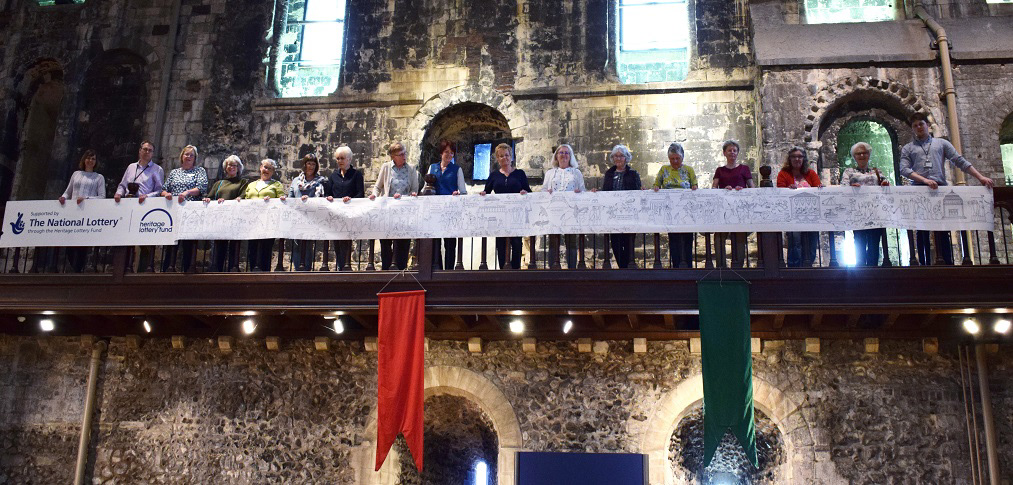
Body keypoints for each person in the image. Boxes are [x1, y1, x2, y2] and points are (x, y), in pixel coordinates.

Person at [900, 112, 995, 265]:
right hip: (919, 191)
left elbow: (959, 161)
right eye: (915, 125)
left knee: (942, 228)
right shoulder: (908, 148)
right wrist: (924, 180)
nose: (918, 127)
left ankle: (947, 263)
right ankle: (924, 264)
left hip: (939, 190)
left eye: (921, 124)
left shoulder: (941, 144)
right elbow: (904, 169)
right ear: (912, 129)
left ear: (927, 126)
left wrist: (981, 177)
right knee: (922, 230)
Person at [113, 141, 164, 272]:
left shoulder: (157, 169)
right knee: (125, 238)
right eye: (145, 149)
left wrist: (147, 196)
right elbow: (123, 184)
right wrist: (119, 194)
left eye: (150, 150)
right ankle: (123, 268)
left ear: (153, 153)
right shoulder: (131, 167)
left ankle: (143, 269)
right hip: (128, 205)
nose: (147, 152)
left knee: (144, 240)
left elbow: (159, 190)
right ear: (140, 150)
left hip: (145, 207)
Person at [480, 143, 531, 269]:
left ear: (511, 157)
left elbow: (529, 191)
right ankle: (503, 269)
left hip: (516, 215)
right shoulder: (494, 175)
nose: (505, 158)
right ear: (497, 159)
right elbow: (486, 191)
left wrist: (525, 193)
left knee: (516, 243)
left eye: (507, 155)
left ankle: (515, 269)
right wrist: (483, 194)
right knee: (501, 243)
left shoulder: (519, 174)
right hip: (499, 216)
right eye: (501, 156)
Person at [369, 142, 418, 270]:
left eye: (404, 153)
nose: (404, 156)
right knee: (386, 241)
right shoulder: (386, 168)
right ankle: (386, 269)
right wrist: (374, 194)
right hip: (388, 210)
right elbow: (378, 186)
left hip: (404, 212)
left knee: (402, 242)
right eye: (401, 154)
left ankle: (401, 270)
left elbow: (414, 189)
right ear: (393, 156)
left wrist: (412, 195)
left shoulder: (411, 169)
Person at [840, 142, 890, 267]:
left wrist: (885, 184)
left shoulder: (877, 171)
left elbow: (885, 182)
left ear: (869, 155)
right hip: (858, 213)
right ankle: (861, 270)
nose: (862, 155)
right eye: (858, 153)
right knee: (859, 241)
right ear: (854, 156)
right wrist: (851, 187)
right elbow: (843, 187)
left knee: (874, 242)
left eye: (865, 153)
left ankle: (873, 270)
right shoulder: (849, 171)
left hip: (875, 212)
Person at [160, 145, 208, 272]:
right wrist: (167, 195)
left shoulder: (199, 171)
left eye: (191, 155)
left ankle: (188, 270)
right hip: (174, 211)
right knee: (171, 243)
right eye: (186, 154)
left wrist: (187, 193)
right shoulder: (174, 172)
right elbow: (164, 189)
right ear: (182, 156)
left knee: (188, 243)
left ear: (195, 158)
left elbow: (201, 188)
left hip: (190, 212)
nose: (189, 157)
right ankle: (167, 269)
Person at [58, 150, 106, 272]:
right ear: (84, 160)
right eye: (89, 158)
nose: (90, 161)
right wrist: (63, 197)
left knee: (82, 242)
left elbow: (102, 196)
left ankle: (78, 268)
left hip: (87, 213)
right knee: (70, 241)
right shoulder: (76, 174)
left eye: (93, 159)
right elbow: (68, 191)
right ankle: (71, 266)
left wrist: (87, 198)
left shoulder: (99, 177)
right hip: (73, 212)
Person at [652, 142, 698, 268]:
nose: (675, 161)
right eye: (672, 159)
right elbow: (656, 184)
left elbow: (694, 185)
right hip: (670, 210)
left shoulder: (688, 170)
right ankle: (676, 265)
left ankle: (688, 265)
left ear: (682, 157)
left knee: (687, 238)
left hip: (686, 209)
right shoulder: (664, 170)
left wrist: (694, 187)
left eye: (678, 158)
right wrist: (656, 187)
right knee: (674, 238)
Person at [776, 147, 822, 267]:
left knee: (812, 243)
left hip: (811, 215)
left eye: (800, 156)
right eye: (794, 156)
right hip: (793, 216)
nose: (797, 159)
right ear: (789, 159)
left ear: (804, 159)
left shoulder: (810, 173)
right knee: (795, 243)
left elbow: (818, 187)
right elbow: (780, 191)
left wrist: (821, 188)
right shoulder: (783, 173)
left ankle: (808, 267)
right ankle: (794, 269)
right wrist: (788, 190)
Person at [203, 155, 249, 272]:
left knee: (234, 246)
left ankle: (233, 270)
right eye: (229, 165)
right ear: (225, 167)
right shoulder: (218, 183)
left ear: (238, 168)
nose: (231, 167)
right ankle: (216, 270)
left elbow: (243, 196)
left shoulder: (243, 182)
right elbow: (210, 197)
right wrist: (209, 200)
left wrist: (230, 203)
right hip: (219, 218)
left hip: (235, 218)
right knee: (219, 246)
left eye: (234, 165)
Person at [543, 144, 586, 269]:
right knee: (553, 240)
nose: (564, 155)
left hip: (571, 210)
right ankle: (553, 268)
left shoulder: (576, 173)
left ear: (570, 156)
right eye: (561, 153)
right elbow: (543, 190)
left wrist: (579, 193)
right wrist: (547, 193)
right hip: (554, 210)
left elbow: (583, 190)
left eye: (567, 153)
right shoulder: (550, 173)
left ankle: (572, 268)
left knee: (571, 240)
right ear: (556, 156)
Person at [712, 140, 753, 268]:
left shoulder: (744, 169)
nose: (732, 153)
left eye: (734, 150)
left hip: (740, 209)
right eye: (729, 150)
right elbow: (713, 189)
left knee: (740, 237)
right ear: (724, 153)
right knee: (719, 237)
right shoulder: (719, 170)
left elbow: (752, 188)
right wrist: (724, 190)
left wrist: (742, 190)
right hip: (723, 208)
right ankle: (721, 267)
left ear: (738, 153)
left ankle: (738, 267)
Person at [240, 158, 286, 271]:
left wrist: (272, 200)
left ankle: (265, 272)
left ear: (273, 171)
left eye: (269, 168)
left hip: (268, 221)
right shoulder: (251, 184)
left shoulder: (276, 184)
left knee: (265, 248)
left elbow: (282, 198)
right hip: (252, 220)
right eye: (265, 167)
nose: (266, 170)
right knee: (253, 247)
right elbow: (246, 198)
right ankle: (252, 271)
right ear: (260, 168)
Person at [600, 144, 641, 268]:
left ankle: (629, 268)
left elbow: (637, 190)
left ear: (626, 158)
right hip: (613, 214)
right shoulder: (609, 173)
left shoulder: (633, 173)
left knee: (628, 242)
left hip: (628, 213)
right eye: (616, 156)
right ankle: (623, 268)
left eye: (621, 156)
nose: (618, 158)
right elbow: (605, 191)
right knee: (616, 243)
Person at [427, 140, 467, 269]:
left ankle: (449, 269)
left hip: (451, 211)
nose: (449, 155)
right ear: (441, 153)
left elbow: (463, 191)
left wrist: (457, 194)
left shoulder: (457, 169)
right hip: (435, 210)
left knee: (450, 242)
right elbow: (426, 187)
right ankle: (436, 268)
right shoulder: (433, 167)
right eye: (446, 152)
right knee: (435, 241)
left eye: (452, 153)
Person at [325, 147, 365, 271]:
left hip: (350, 212)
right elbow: (328, 193)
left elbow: (360, 194)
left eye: (342, 158)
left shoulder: (356, 175)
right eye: (337, 158)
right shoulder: (333, 176)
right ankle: (339, 265)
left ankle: (347, 266)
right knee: (336, 240)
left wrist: (350, 199)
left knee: (347, 239)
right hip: (336, 213)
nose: (339, 161)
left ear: (349, 159)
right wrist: (329, 197)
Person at [289, 153, 328, 271]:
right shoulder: (296, 181)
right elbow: (291, 196)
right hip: (297, 216)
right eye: (308, 163)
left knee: (308, 245)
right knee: (296, 245)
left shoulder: (321, 181)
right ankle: (297, 270)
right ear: (304, 164)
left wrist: (310, 201)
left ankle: (306, 269)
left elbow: (323, 197)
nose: (311, 166)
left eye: (313, 164)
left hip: (311, 217)